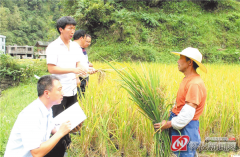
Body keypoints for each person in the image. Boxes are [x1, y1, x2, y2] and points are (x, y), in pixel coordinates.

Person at [154, 47, 207, 157]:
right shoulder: (187, 79)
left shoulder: (194, 84)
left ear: (190, 62)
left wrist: (167, 124)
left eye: (180, 58)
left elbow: (187, 115)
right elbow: (181, 103)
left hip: (185, 128)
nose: (178, 61)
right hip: (182, 127)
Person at [46, 16, 87, 157]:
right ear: (61, 29)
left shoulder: (75, 46)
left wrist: (85, 69)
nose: (72, 31)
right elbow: (51, 69)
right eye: (69, 28)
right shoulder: (53, 47)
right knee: (57, 122)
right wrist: (73, 70)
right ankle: (56, 150)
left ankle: (66, 146)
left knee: (73, 119)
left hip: (72, 89)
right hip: (58, 91)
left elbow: (79, 63)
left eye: (74, 28)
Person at [4, 75, 71, 157]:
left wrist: (70, 127)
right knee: (59, 137)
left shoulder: (47, 108)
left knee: (61, 140)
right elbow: (36, 153)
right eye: (59, 90)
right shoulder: (31, 115)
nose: (63, 93)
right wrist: (60, 132)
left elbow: (53, 129)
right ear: (47, 93)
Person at [73, 30, 96, 96]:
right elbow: (74, 64)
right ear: (81, 38)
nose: (88, 43)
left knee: (82, 96)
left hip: (83, 76)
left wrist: (88, 69)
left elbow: (81, 63)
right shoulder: (74, 48)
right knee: (79, 97)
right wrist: (76, 78)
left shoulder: (79, 48)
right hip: (79, 77)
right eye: (86, 40)